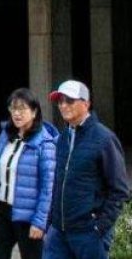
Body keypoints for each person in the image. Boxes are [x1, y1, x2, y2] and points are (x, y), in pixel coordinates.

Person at [44, 80, 130, 259]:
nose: (63, 105)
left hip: (88, 234)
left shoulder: (104, 139)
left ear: (86, 103)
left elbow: (120, 190)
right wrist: (51, 220)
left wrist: (100, 226)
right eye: (60, 101)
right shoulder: (63, 138)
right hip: (59, 232)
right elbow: (58, 182)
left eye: (69, 100)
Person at [0, 88, 58, 259]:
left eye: (22, 109)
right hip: (4, 210)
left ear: (34, 112)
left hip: (28, 215)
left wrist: (40, 222)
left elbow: (47, 188)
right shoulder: (6, 134)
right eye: (13, 108)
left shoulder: (45, 143)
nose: (17, 113)